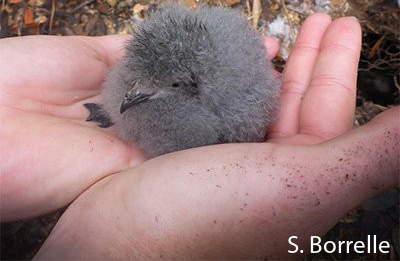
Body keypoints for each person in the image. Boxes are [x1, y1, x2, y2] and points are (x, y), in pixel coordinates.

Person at [0, 14, 398, 260]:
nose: (134, 92)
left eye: (158, 84)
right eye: (137, 77)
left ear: (189, 85)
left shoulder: (218, 117)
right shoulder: (135, 78)